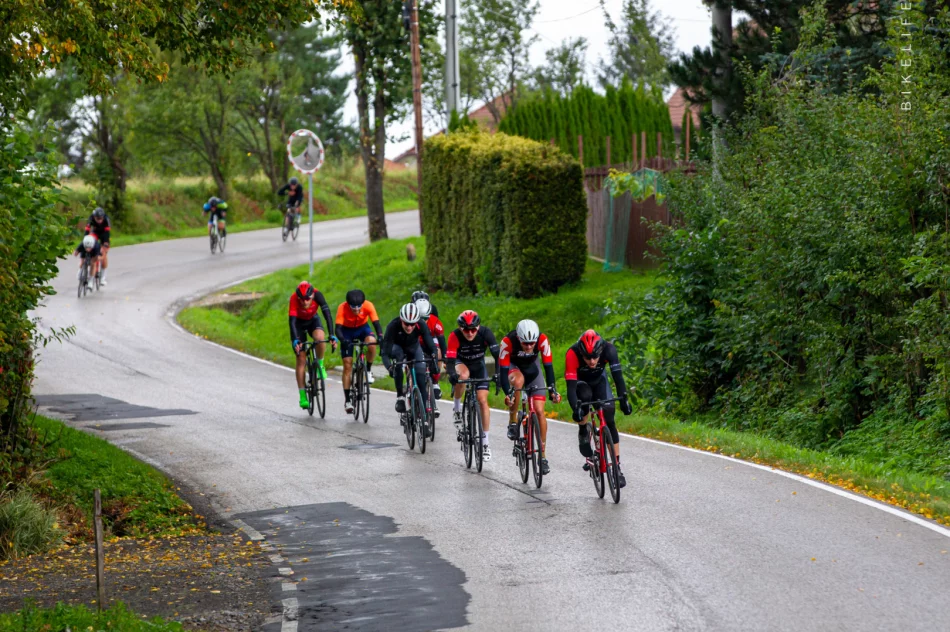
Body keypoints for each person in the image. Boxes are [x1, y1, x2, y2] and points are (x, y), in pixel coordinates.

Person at [565, 330, 634, 488]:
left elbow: (618, 377)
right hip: (581, 384)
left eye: (595, 357)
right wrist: (576, 409)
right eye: (587, 357)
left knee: (609, 418)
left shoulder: (609, 349)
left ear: (600, 352)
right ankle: (583, 430)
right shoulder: (572, 354)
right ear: (581, 353)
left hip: (599, 381)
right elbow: (570, 388)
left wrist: (624, 400)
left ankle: (617, 468)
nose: (591, 361)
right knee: (584, 398)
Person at [498, 319, 561, 475]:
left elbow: (548, 368)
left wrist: (553, 390)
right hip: (514, 368)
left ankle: (543, 456)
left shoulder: (542, 340)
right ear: (519, 338)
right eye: (525, 343)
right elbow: (502, 372)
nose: (529, 346)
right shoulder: (507, 342)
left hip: (533, 369)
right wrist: (508, 393)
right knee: (518, 382)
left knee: (539, 411)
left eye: (532, 343)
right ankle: (513, 421)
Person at [445, 310, 500, 461]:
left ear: (478, 326)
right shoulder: (454, 336)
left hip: (478, 365)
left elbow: (498, 357)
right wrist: (451, 375)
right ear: (461, 328)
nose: (469, 333)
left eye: (473, 329)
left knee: (482, 400)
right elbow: (450, 362)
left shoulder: (486, 333)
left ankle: (485, 443)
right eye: (466, 330)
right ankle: (457, 407)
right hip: (460, 363)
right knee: (463, 376)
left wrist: (499, 375)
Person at [381, 303, 439, 416]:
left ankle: (424, 414)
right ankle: (400, 397)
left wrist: (434, 361)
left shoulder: (421, 324)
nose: (409, 327)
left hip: (414, 347)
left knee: (421, 375)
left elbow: (432, 346)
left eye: (412, 324)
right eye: (406, 324)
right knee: (398, 360)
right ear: (401, 320)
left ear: (417, 322)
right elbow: (385, 353)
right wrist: (389, 367)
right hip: (397, 347)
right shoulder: (393, 326)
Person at [335, 289, 383, 414]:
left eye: (358, 306)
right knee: (347, 365)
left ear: (363, 303)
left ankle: (368, 370)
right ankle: (347, 400)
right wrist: (342, 340)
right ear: (348, 304)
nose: (356, 309)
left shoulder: (368, 305)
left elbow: (376, 323)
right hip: (347, 332)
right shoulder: (342, 308)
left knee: (372, 343)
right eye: (353, 307)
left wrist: (381, 336)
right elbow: (338, 329)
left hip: (362, 329)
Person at [289, 281, 335, 409]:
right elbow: (292, 322)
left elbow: (328, 315)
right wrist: (295, 340)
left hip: (312, 320)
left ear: (312, 296)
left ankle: (320, 364)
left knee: (320, 338)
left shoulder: (318, 295)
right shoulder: (293, 299)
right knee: (301, 359)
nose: (304, 302)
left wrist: (332, 334)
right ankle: (303, 396)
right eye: (302, 300)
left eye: (307, 299)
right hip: (298, 324)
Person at [414, 298, 446, 401]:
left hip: (429, 341)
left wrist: (445, 358)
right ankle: (411, 383)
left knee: (438, 352)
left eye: (425, 318)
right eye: (420, 318)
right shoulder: (411, 321)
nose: (423, 321)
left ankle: (435, 383)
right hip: (415, 340)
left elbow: (441, 341)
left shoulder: (435, 322)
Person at [84, 207, 111, 285]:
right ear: (94, 217)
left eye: (100, 219)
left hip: (104, 234)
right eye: (97, 219)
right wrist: (86, 240)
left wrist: (105, 244)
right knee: (90, 241)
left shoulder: (106, 219)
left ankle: (102, 277)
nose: (99, 220)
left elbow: (107, 234)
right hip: (95, 233)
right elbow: (87, 231)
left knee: (103, 254)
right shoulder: (91, 218)